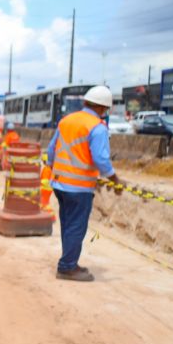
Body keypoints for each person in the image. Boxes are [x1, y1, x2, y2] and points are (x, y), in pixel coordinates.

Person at [47, 85, 123, 282]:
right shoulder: (97, 127)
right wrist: (114, 178)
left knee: (68, 225)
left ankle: (69, 260)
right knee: (76, 227)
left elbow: (50, 150)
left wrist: (53, 168)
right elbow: (101, 159)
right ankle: (67, 267)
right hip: (79, 188)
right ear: (103, 108)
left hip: (59, 184)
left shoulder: (66, 121)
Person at [39, 153, 56, 221]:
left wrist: (38, 182)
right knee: (44, 203)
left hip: (45, 189)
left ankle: (52, 217)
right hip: (47, 190)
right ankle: (45, 217)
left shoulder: (46, 169)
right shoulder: (49, 169)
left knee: (44, 204)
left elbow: (45, 181)